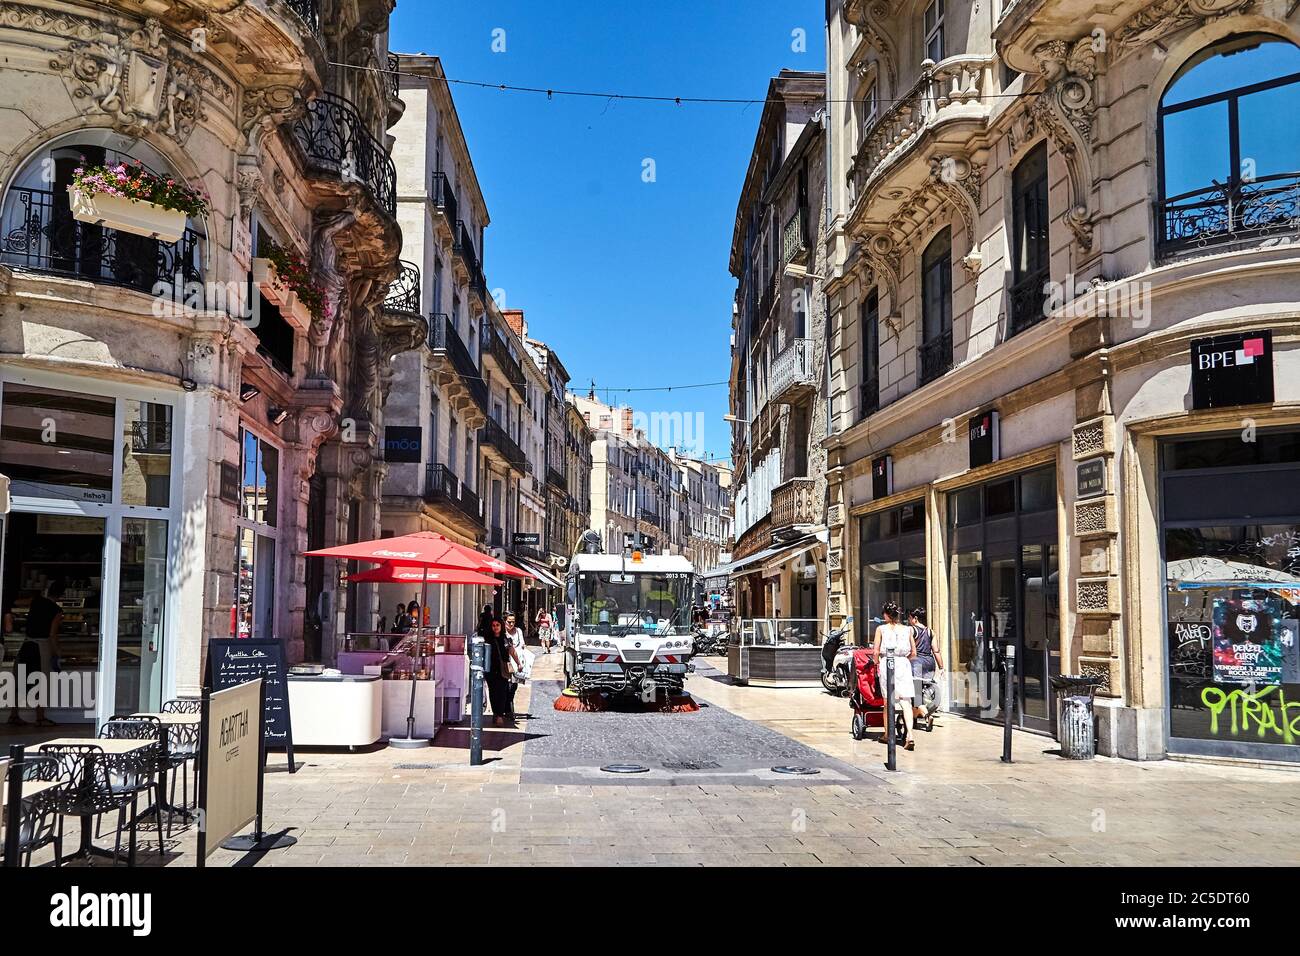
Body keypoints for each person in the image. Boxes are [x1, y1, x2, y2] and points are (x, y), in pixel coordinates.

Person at [13, 580, 64, 726]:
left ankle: (13, 715)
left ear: (48, 591)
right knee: (41, 681)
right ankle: (40, 717)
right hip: (42, 646)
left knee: (20, 679)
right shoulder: (57, 611)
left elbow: (17, 602)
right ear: (61, 595)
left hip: (27, 643)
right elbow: (52, 634)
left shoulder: (36, 601)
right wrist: (57, 651)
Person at [872, 601, 917, 751]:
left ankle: (887, 734)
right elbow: (914, 653)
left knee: (888, 701)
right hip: (903, 664)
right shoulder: (908, 630)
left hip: (887, 663)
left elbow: (876, 651)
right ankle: (910, 735)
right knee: (906, 701)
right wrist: (904, 660)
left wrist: (876, 663)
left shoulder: (881, 629)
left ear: (886, 614)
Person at [480, 613, 520, 727]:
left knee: (503, 692)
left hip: (503, 670)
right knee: (493, 692)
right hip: (491, 671)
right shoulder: (487, 639)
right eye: (493, 625)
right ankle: (496, 714)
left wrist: (518, 663)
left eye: (498, 625)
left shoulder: (505, 639)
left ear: (501, 626)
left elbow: (512, 651)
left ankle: (500, 715)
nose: (495, 627)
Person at [908, 608, 942, 725]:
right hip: (930, 663)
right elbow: (936, 651)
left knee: (914, 692)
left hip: (916, 664)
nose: (909, 620)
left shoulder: (911, 630)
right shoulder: (931, 632)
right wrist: (941, 667)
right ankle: (914, 717)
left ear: (915, 618)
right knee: (920, 691)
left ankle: (926, 714)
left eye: (910, 618)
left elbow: (910, 649)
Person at [503, 611, 533, 716]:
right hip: (506, 664)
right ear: (504, 621)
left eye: (513, 622)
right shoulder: (502, 633)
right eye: (509, 622)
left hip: (517, 663)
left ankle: (508, 707)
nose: (511, 624)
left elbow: (523, 645)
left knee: (513, 687)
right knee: (507, 686)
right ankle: (508, 709)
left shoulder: (519, 631)